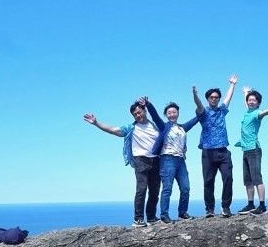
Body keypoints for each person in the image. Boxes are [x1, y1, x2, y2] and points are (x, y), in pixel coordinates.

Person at [83, 96, 164, 227]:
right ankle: (138, 219)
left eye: (139, 112)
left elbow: (164, 135)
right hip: (140, 160)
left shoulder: (154, 126)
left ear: (145, 111)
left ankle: (151, 217)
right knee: (141, 189)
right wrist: (96, 123)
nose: (138, 115)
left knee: (154, 190)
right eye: (135, 114)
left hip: (156, 160)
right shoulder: (131, 128)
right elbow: (114, 130)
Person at [152, 93, 202, 223]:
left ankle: (182, 212)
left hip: (181, 160)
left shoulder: (182, 128)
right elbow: (155, 116)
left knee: (185, 188)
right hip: (167, 159)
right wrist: (148, 104)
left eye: (174, 112)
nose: (172, 114)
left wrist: (203, 110)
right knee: (167, 188)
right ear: (166, 115)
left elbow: (196, 119)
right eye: (169, 113)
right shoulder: (164, 126)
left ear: (178, 113)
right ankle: (164, 215)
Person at [193, 74, 238, 218]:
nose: (214, 99)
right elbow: (198, 105)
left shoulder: (222, 111)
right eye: (211, 97)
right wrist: (195, 95)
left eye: (216, 97)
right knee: (208, 181)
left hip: (223, 151)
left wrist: (232, 84)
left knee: (228, 178)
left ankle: (225, 207)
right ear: (208, 99)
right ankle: (210, 209)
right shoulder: (203, 112)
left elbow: (228, 98)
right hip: (208, 152)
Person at [235, 87, 268, 215]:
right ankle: (250, 204)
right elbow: (247, 102)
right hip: (245, 149)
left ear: (258, 103)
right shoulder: (248, 112)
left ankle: (263, 206)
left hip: (254, 149)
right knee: (247, 180)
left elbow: (261, 114)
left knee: (257, 178)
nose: (250, 102)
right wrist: (246, 93)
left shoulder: (256, 113)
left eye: (254, 100)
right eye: (249, 100)